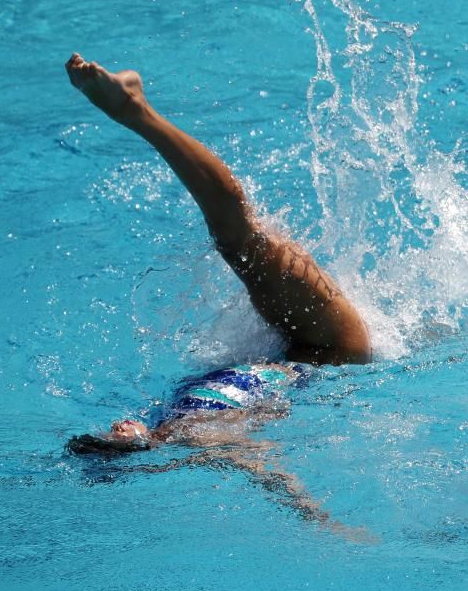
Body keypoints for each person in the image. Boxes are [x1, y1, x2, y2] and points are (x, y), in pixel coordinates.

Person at [63, 53, 371, 528]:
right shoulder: (201, 441)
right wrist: (325, 524)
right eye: (118, 442)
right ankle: (135, 111)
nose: (117, 429)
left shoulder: (166, 420)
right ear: (139, 451)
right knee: (239, 238)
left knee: (242, 242)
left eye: (108, 434)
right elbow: (265, 469)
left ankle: (136, 112)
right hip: (330, 351)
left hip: (290, 343)